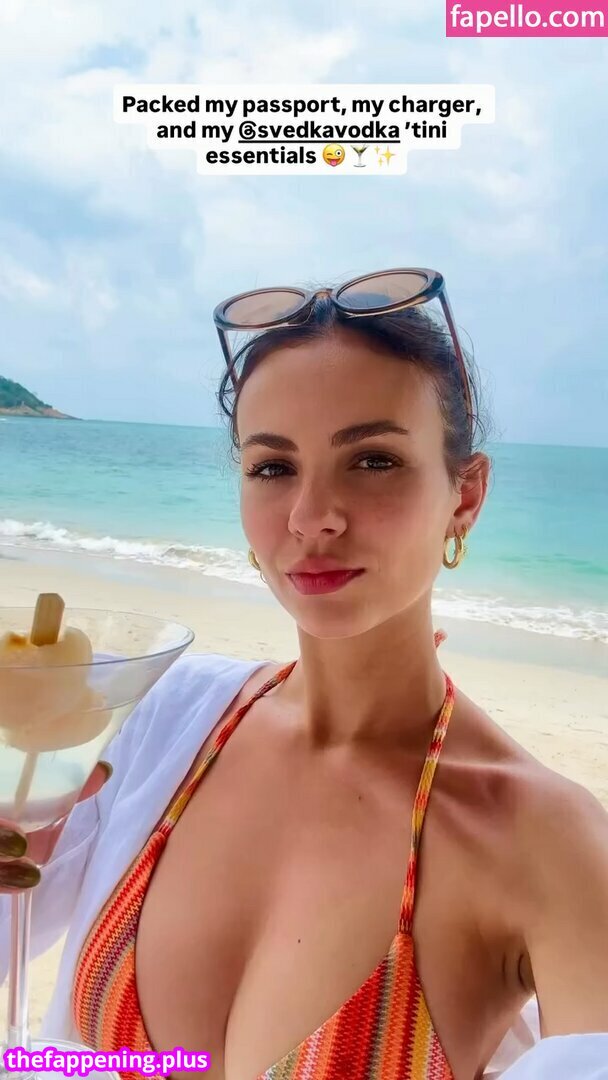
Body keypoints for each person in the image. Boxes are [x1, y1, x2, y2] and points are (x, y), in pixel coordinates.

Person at [1, 267, 607, 1080]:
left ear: (466, 495)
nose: (311, 517)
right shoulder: (160, 722)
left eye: (373, 461)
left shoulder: (548, 844)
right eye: (272, 467)